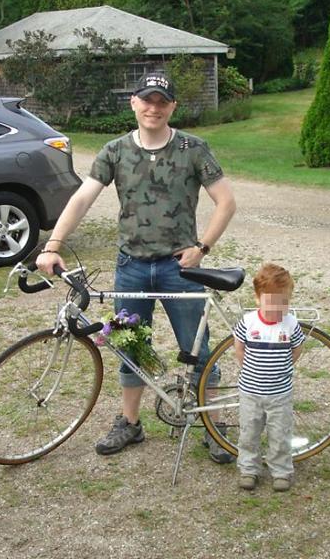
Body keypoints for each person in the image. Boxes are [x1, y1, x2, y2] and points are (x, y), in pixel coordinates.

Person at [36, 72, 236, 463]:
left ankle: (212, 424)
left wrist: (202, 247)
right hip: (131, 267)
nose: (154, 108)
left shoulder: (194, 148)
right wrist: (53, 245)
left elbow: (226, 202)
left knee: (196, 349)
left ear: (172, 106)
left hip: (181, 269)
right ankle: (130, 423)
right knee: (130, 345)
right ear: (133, 102)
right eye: (147, 100)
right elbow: (82, 200)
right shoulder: (114, 151)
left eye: (162, 101)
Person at [232, 263, 305, 492]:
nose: (277, 308)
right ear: (257, 298)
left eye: (283, 302)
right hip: (250, 392)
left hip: (279, 394)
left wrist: (285, 367)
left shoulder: (290, 324)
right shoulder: (248, 322)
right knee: (248, 432)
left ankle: (281, 470)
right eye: (270, 302)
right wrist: (247, 369)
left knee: (280, 433)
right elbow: (239, 347)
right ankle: (248, 469)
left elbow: (297, 348)